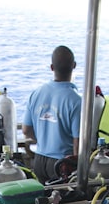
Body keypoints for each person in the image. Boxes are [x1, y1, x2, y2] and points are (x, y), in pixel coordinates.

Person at [22, 45, 82, 182]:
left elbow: (26, 130)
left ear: (52, 67)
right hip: (62, 164)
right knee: (64, 202)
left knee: (44, 201)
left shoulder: (36, 93)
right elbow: (77, 144)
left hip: (39, 160)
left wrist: (42, 140)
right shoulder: (76, 101)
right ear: (74, 66)